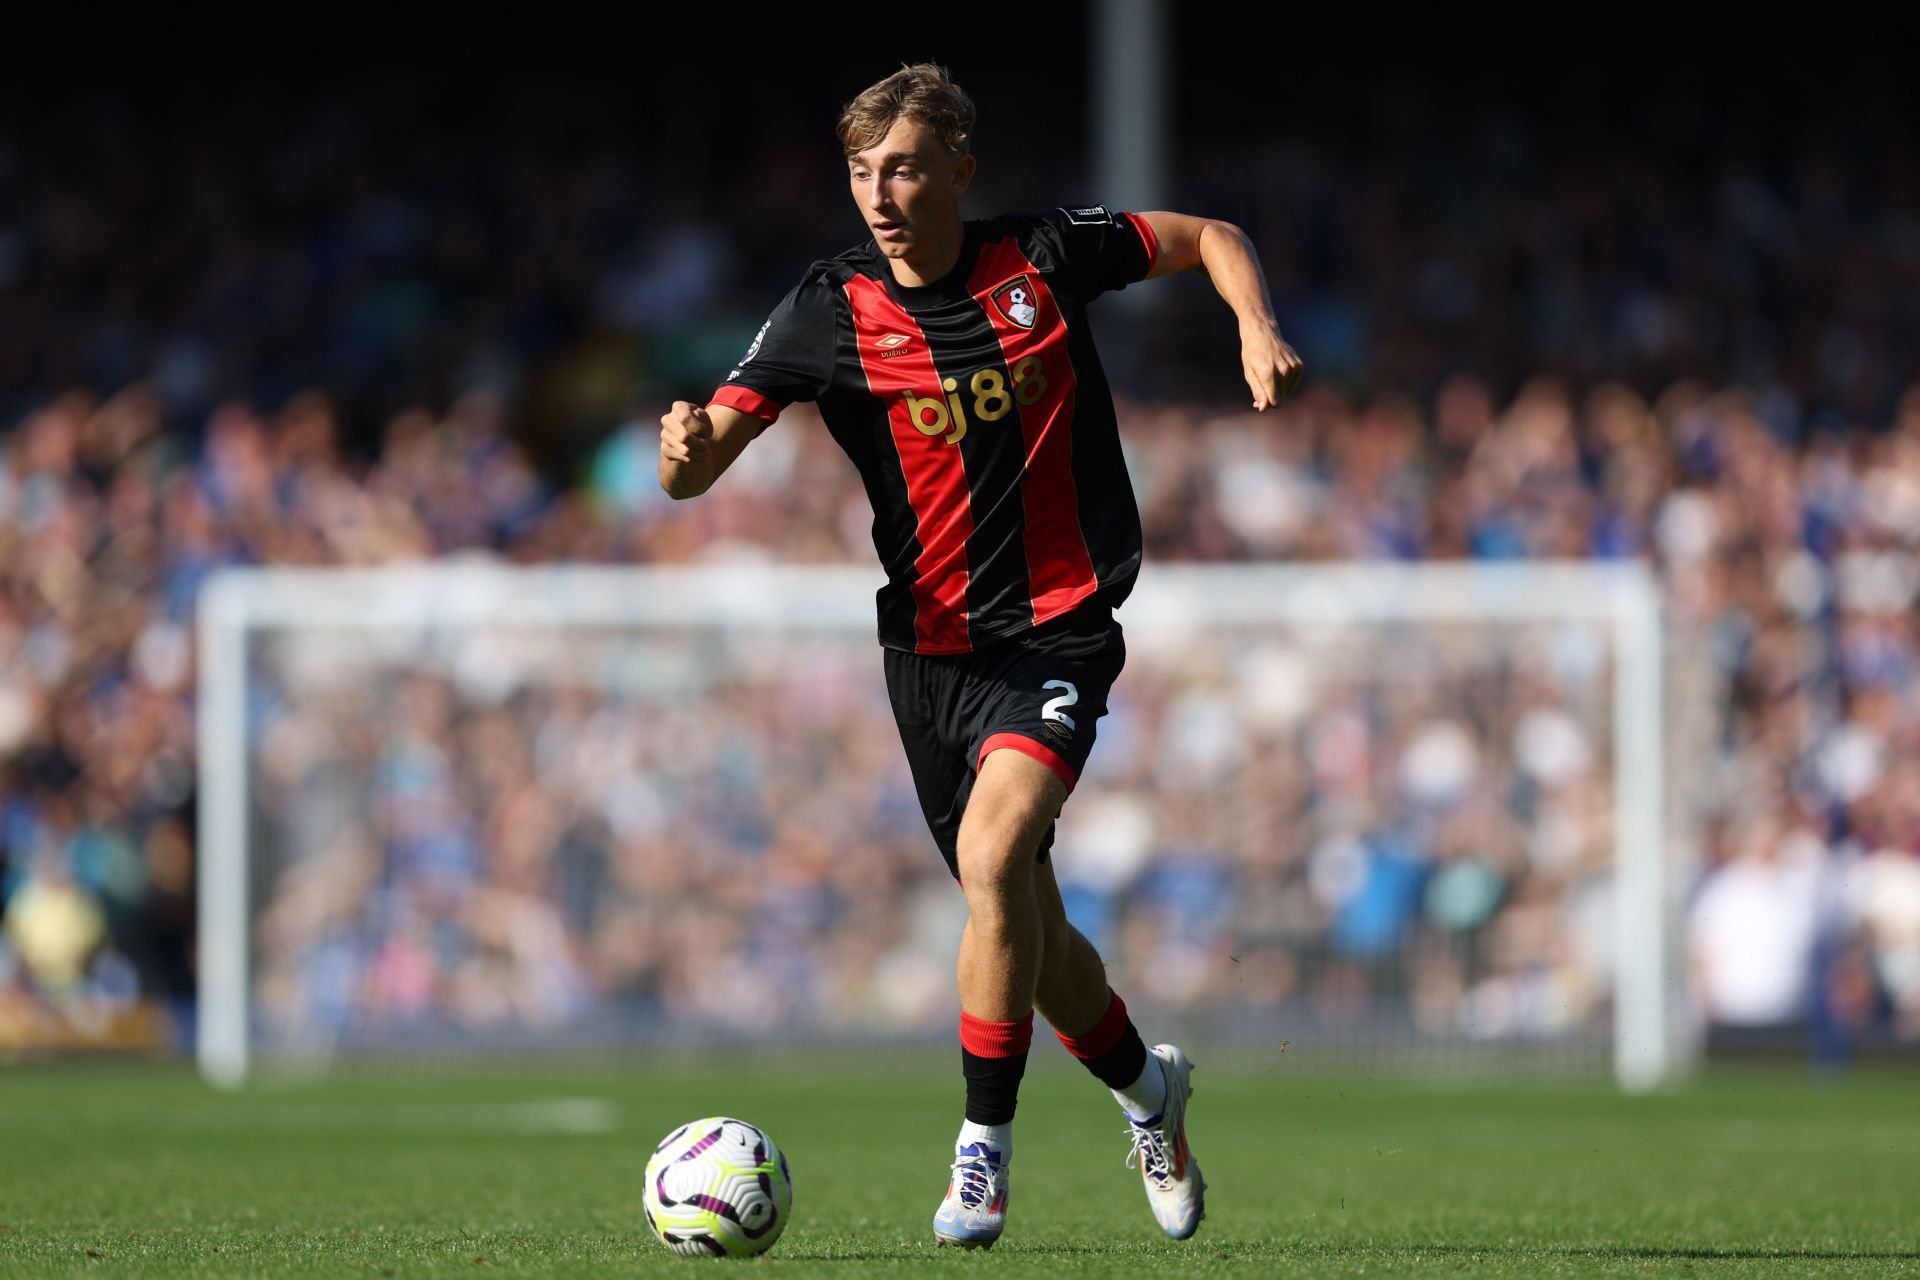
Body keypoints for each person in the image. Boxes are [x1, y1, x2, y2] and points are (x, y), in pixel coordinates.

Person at [658, 62, 1302, 1249]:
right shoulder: (827, 307)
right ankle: (1152, 1094)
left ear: (960, 168)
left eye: (903, 166)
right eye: (861, 171)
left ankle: (981, 1154)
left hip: (1057, 623)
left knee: (996, 853)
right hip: (927, 656)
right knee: (1029, 928)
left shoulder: (1046, 255)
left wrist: (1254, 326)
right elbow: (700, 463)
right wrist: (687, 450)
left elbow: (1211, 233)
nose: (880, 193)